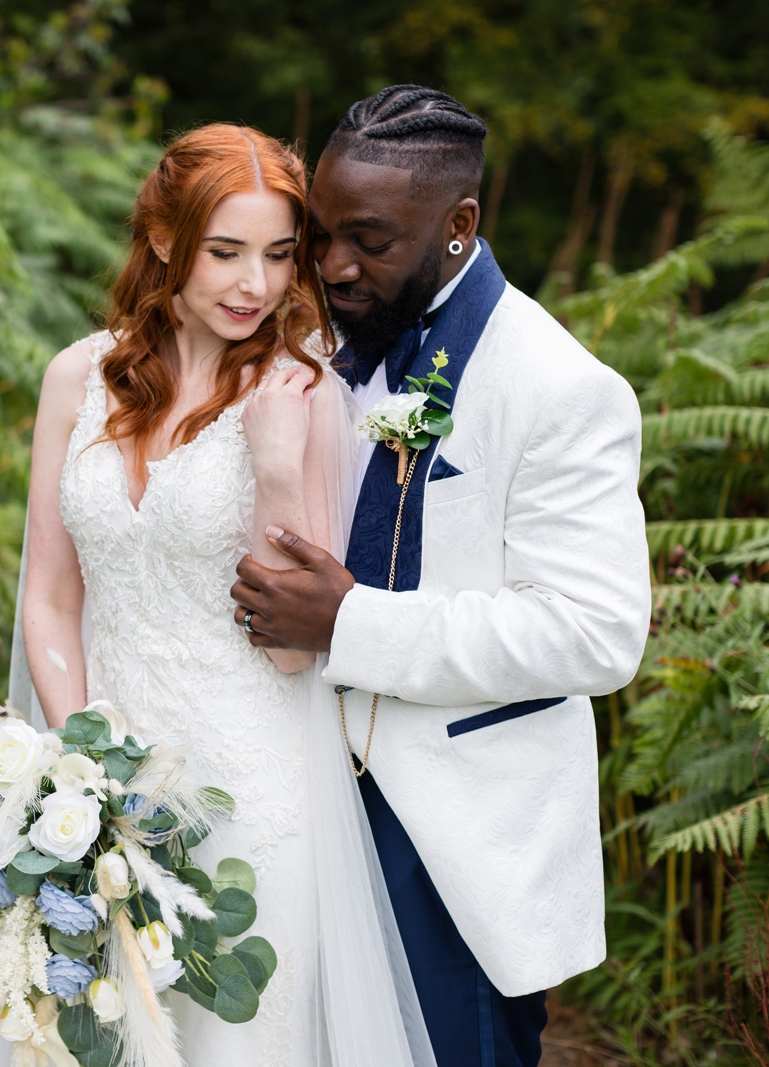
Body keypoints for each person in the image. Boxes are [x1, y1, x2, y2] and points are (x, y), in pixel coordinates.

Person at [229, 86, 651, 1066]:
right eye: (320, 234)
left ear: (459, 224)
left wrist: (351, 622)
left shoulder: (558, 387)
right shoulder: (312, 351)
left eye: (368, 241)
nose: (332, 267)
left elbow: (594, 631)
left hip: (458, 843)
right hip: (296, 810)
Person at [9, 123, 434, 1066]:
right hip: (104, 784)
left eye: (281, 256)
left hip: (250, 790)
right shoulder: (77, 376)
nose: (255, 285)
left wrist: (280, 471)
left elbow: (292, 647)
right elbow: (48, 596)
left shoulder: (301, 390)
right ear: (165, 240)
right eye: (226, 252)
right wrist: (82, 779)